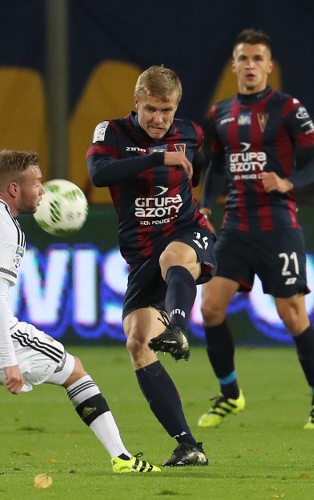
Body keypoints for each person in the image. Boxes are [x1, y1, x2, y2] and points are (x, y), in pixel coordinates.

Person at [0, 149, 160, 474]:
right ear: (14, 189)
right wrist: (10, 362)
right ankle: (122, 458)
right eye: (37, 182)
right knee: (75, 371)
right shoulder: (7, 230)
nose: (43, 190)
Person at [197, 28, 314, 430]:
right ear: (235, 65)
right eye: (244, 58)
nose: (251, 65)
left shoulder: (288, 108)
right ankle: (230, 395)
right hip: (235, 226)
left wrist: (289, 181)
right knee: (209, 309)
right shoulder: (220, 113)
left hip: (278, 226)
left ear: (269, 66)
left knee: (292, 315)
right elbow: (218, 165)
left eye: (258, 59)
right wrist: (206, 204)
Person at [86, 66, 216, 466]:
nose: (160, 119)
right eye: (151, 110)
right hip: (141, 257)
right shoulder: (111, 132)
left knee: (173, 257)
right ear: (136, 103)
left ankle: (178, 325)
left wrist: (209, 199)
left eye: (167, 110)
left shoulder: (192, 132)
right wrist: (157, 156)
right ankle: (188, 445)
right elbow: (97, 174)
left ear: (176, 106)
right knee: (137, 342)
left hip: (188, 234)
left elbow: (211, 164)